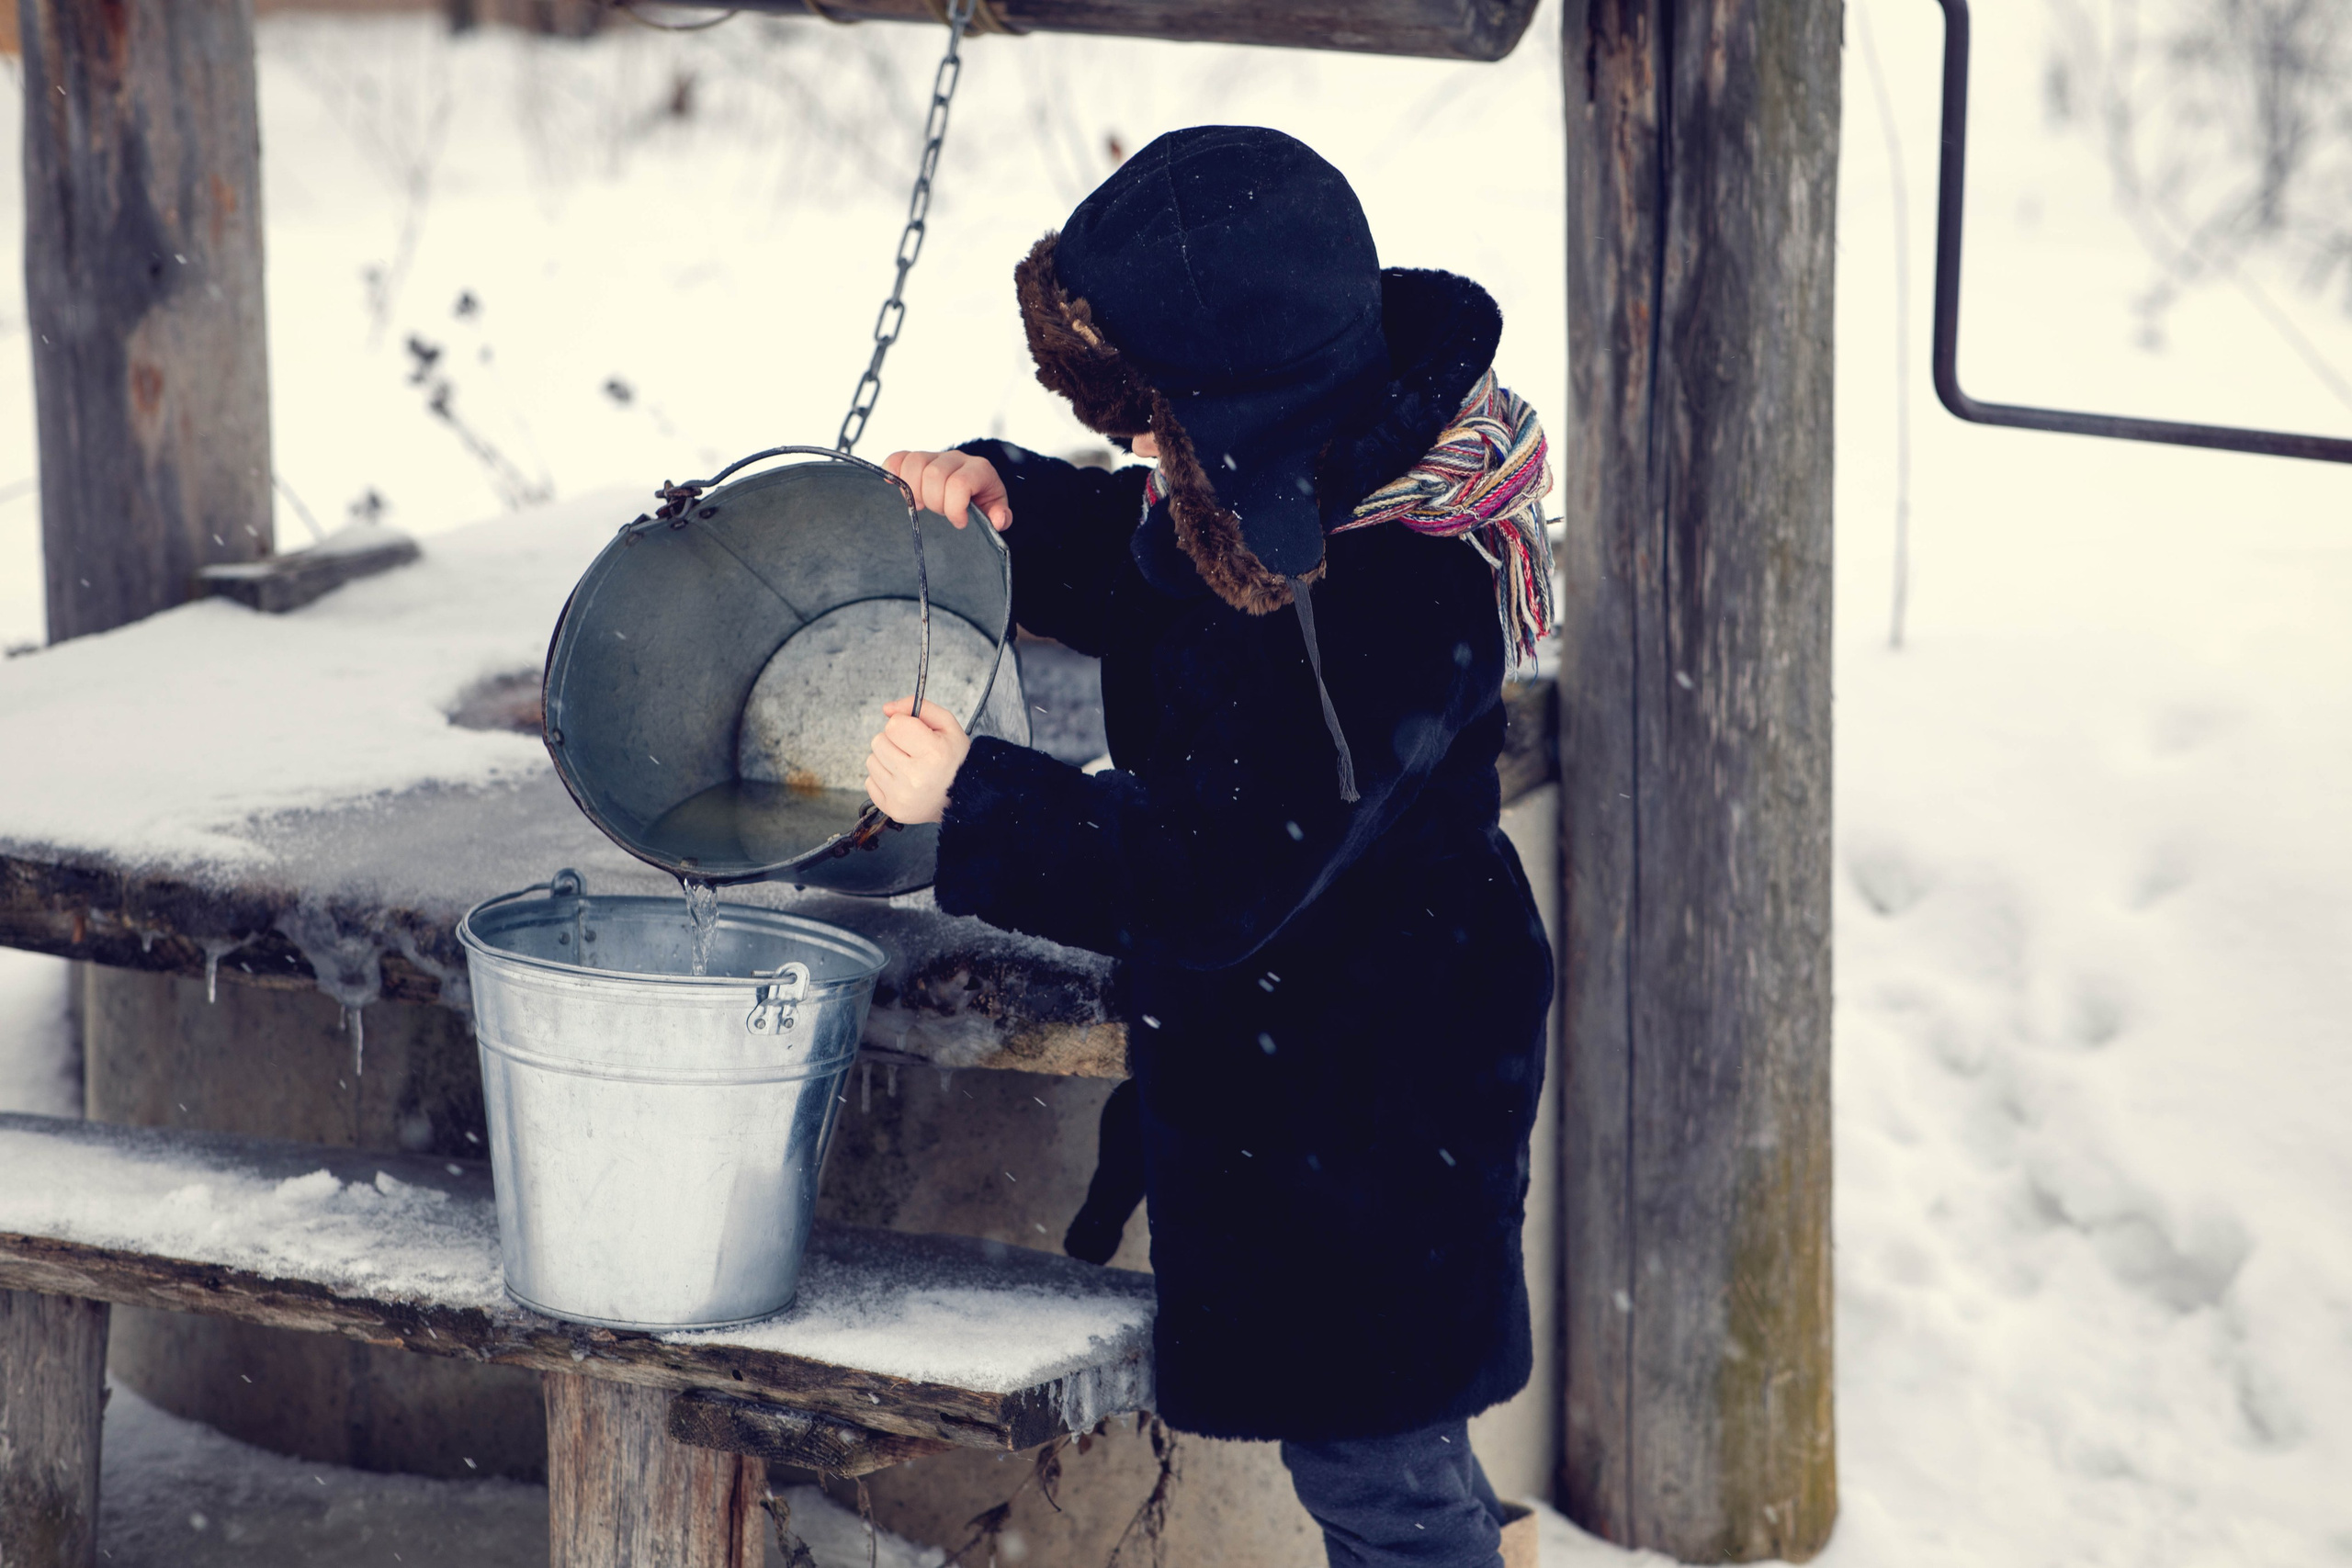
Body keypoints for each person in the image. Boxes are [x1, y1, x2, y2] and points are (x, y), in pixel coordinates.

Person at [864, 125, 1555, 1568]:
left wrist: (977, 796)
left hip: (1372, 1093)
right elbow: (1163, 559)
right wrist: (1017, 505)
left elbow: (1219, 867)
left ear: (1248, 409)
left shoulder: (1378, 598)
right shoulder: (1296, 487)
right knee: (1381, 1437)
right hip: (1316, 1065)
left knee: (1379, 1462)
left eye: (1151, 416)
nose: (1127, 444)